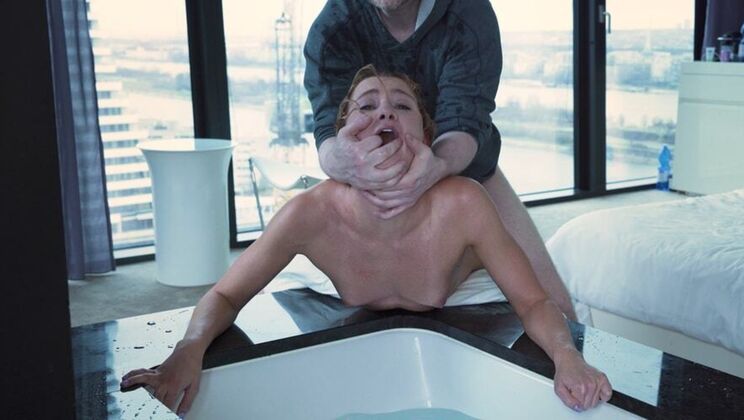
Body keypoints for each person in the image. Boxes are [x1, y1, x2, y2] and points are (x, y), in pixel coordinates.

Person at [121, 66, 612, 417]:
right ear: (344, 136)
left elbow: (532, 301)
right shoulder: (310, 213)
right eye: (367, 106)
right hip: (324, 280)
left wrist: (568, 358)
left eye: (401, 106)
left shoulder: (464, 203)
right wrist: (189, 348)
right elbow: (227, 294)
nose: (385, 114)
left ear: (425, 134)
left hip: (468, 292)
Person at [304, 0, 578, 320]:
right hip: (369, 178)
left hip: (466, 169)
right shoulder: (333, 28)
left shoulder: (468, 13)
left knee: (555, 304)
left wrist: (439, 165)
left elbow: (466, 118)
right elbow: (328, 131)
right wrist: (345, 165)